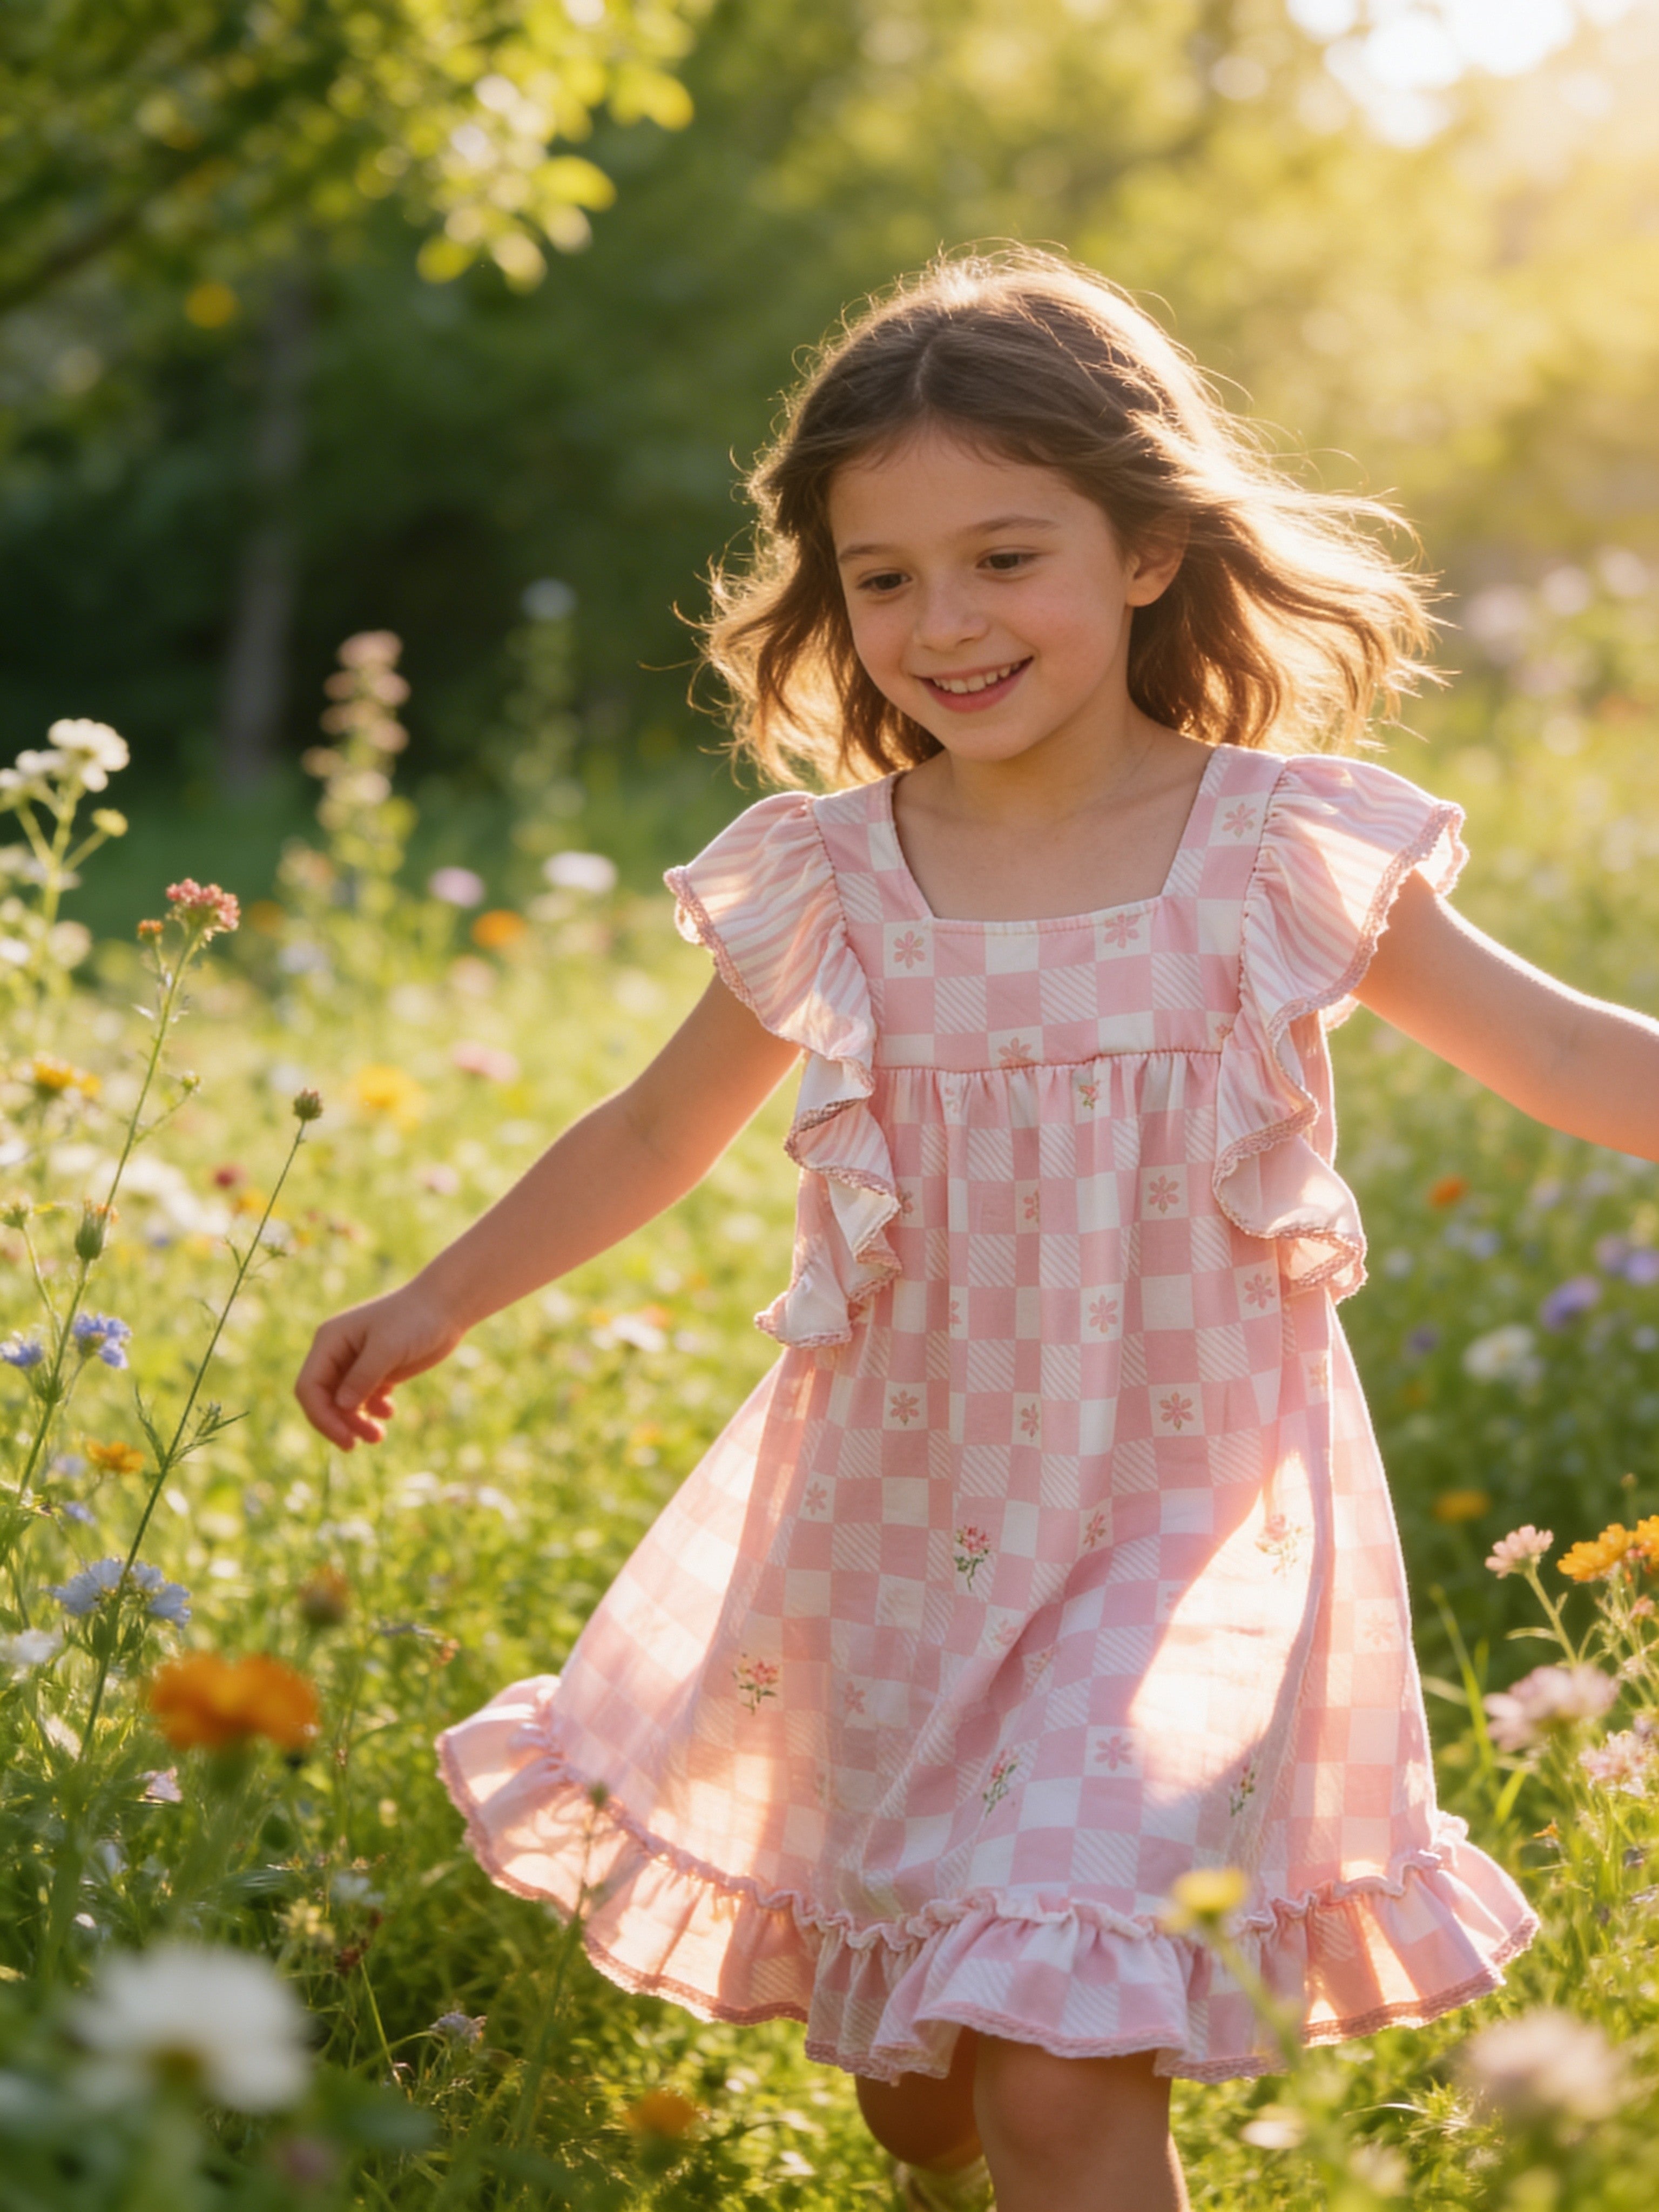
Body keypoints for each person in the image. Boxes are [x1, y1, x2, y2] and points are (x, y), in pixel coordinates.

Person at [294, 248, 1659, 2212]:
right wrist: (439, 1295)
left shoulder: (1277, 850)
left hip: (1183, 1540)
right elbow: (660, 1125)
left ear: (1146, 549)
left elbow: (1562, 1048)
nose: (943, 624)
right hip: (897, 1531)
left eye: (1005, 559)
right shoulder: (837, 879)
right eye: (885, 578)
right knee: (924, 2079)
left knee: (1057, 2066)